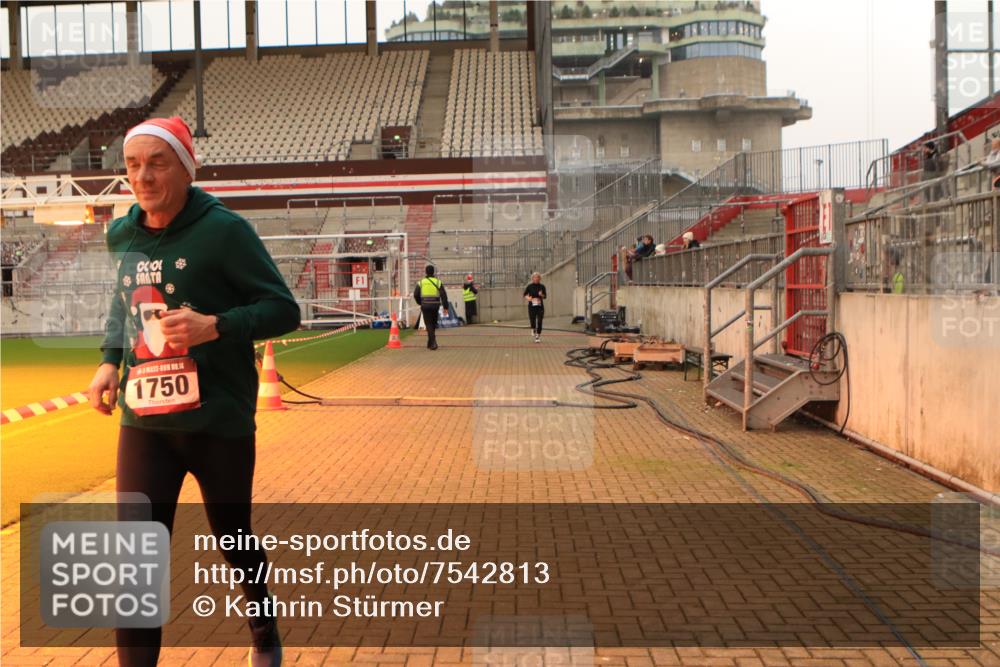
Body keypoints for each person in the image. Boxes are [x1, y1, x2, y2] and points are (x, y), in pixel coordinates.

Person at [86, 116, 300, 667]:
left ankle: (263, 632)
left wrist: (216, 326)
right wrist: (111, 361)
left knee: (233, 537)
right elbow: (123, 302)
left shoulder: (224, 231)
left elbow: (284, 309)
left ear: (185, 167)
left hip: (217, 421)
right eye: (133, 165)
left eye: (157, 163)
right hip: (145, 422)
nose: (143, 176)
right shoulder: (122, 233)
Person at [413, 264, 448, 350]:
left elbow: (415, 294)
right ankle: (430, 342)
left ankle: (433, 342)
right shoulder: (438, 282)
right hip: (435, 306)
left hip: (425, 305)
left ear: (426, 272)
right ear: (433, 272)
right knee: (433, 323)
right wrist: (445, 307)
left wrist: (420, 302)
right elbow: (443, 295)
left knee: (428, 324)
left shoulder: (421, 282)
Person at [523, 272, 547, 342]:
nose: (536, 279)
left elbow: (545, 296)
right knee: (532, 320)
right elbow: (524, 294)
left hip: (540, 307)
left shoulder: (542, 286)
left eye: (537, 277)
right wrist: (528, 298)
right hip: (532, 306)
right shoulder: (529, 286)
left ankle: (537, 337)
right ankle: (533, 328)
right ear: (532, 278)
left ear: (540, 278)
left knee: (539, 321)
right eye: (535, 277)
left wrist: (541, 294)